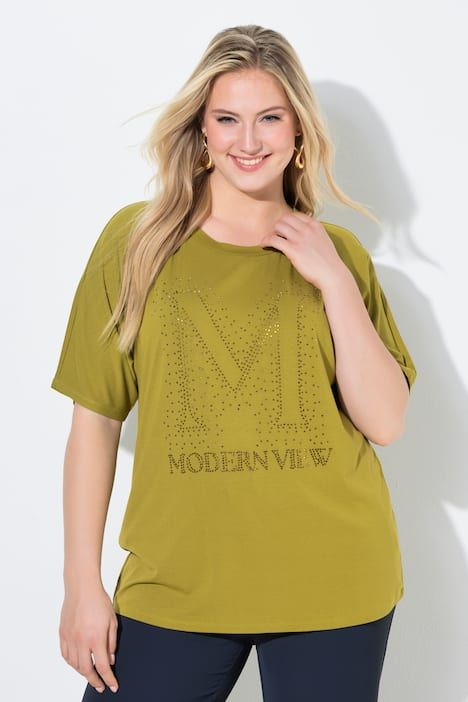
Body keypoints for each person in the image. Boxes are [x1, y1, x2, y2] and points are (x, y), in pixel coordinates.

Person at [50, 24, 417, 702]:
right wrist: (81, 585)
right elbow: (95, 421)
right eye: (227, 119)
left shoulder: (340, 254)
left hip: (333, 584)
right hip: (175, 585)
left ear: (298, 130)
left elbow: (386, 422)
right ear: (202, 129)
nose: (248, 140)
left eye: (269, 117)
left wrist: (334, 280)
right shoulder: (137, 244)